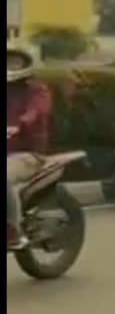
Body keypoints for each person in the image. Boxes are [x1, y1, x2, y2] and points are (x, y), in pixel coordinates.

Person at [6, 41, 53, 250]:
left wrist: (20, 124)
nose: (11, 65)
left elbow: (38, 110)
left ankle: (13, 231)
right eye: (9, 60)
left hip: (27, 153)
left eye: (16, 61)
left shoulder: (37, 89)